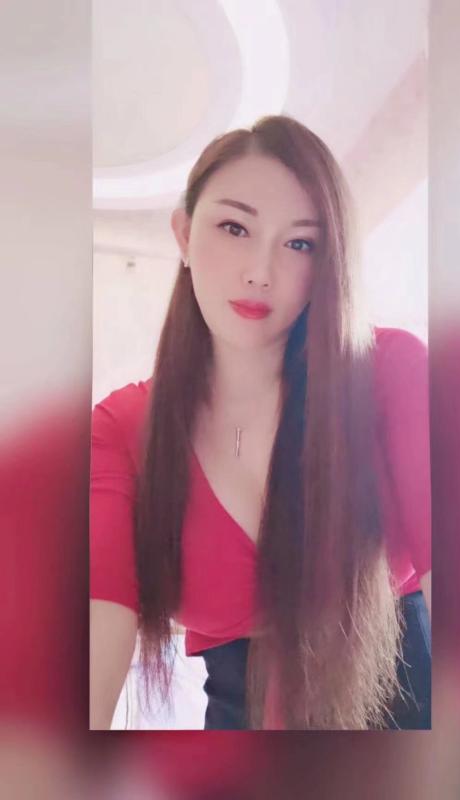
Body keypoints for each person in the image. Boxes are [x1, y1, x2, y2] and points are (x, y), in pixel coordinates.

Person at [90, 115, 431, 730]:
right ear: (184, 234)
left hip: (408, 705)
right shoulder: (120, 431)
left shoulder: (388, 371)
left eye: (300, 243)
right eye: (234, 227)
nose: (260, 271)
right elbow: (92, 640)